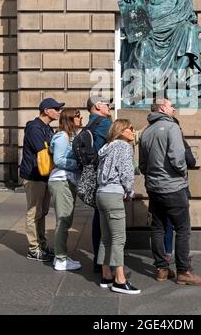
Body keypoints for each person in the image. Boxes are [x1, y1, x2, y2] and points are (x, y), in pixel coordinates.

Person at [139, 97, 201, 286]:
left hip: (154, 187)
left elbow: (142, 164)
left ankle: (162, 269)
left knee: (158, 227)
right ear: (162, 107)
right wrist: (183, 172)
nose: (175, 109)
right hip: (173, 187)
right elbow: (178, 158)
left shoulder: (146, 132)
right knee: (183, 229)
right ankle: (184, 271)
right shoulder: (172, 128)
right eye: (172, 106)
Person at [96, 119, 140, 295]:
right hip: (114, 194)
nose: (133, 131)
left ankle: (106, 275)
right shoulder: (124, 147)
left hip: (101, 193)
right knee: (119, 238)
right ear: (121, 131)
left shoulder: (107, 148)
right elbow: (127, 173)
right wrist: (129, 192)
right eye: (130, 128)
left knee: (105, 237)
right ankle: (120, 280)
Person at [20, 97, 65, 261]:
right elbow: (45, 149)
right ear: (46, 110)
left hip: (45, 175)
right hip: (34, 176)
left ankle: (42, 244)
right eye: (56, 108)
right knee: (33, 212)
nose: (58, 112)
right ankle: (33, 248)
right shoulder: (34, 127)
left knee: (43, 212)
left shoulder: (47, 128)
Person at [48, 108, 83, 271]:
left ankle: (61, 256)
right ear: (69, 118)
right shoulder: (63, 136)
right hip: (61, 180)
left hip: (67, 180)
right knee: (63, 220)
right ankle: (60, 259)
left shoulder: (71, 135)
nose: (80, 118)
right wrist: (78, 164)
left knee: (66, 219)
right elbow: (59, 160)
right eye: (77, 116)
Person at [85, 96, 113, 273]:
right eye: (106, 104)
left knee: (98, 217)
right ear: (97, 106)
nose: (109, 106)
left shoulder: (90, 123)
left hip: (93, 174)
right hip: (103, 176)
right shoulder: (103, 122)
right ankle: (104, 263)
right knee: (106, 221)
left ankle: (98, 259)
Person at [164, 116, 196, 263]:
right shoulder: (180, 141)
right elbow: (190, 162)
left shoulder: (152, 136)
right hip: (177, 187)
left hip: (157, 187)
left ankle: (165, 256)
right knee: (182, 227)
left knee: (162, 225)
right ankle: (182, 263)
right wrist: (182, 170)